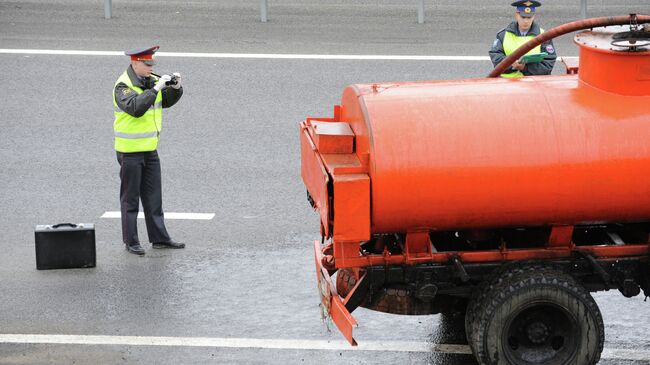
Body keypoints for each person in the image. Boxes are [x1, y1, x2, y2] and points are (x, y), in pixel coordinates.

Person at [112, 45, 185, 255]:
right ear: (135, 63)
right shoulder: (123, 86)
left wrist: (176, 88)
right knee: (130, 198)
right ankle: (131, 241)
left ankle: (160, 238)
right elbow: (136, 108)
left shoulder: (152, 80)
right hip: (129, 151)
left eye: (151, 63)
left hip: (150, 149)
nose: (150, 67)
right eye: (146, 64)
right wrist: (155, 89)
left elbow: (164, 103)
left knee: (154, 197)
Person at [489, 1, 557, 78]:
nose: (526, 21)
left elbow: (547, 66)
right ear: (516, 15)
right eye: (523, 17)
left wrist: (525, 68)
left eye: (529, 17)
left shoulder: (544, 36)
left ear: (533, 17)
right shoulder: (503, 35)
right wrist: (512, 64)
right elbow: (495, 58)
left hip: (533, 84)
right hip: (507, 84)